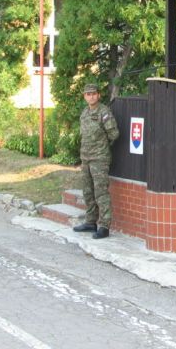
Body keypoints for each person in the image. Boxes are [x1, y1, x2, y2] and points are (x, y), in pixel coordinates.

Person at [74, 83, 120, 239]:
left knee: (101, 192)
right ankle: (90, 222)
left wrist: (102, 147)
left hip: (99, 159)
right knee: (88, 192)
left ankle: (104, 226)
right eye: (88, 94)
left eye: (94, 93)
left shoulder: (104, 112)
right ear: (84, 97)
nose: (91, 96)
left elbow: (114, 134)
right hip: (85, 158)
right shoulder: (84, 113)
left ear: (98, 95)